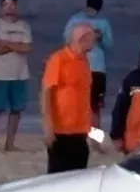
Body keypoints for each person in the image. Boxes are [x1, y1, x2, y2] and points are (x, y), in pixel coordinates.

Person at [41, 23, 98, 174]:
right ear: (82, 39)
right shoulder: (58, 59)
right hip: (61, 130)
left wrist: (93, 126)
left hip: (80, 130)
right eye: (92, 39)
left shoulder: (84, 61)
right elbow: (46, 92)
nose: (94, 42)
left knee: (78, 175)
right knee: (58, 176)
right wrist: (48, 125)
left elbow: (84, 94)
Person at [0, 0, 33, 151]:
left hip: (20, 73)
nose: (9, 7)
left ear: (16, 7)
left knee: (16, 110)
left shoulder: (24, 26)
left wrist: (8, 44)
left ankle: (10, 143)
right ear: (1, 7)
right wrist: (17, 45)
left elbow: (27, 48)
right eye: (6, 5)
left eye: (12, 5)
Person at [63, 0, 113, 127]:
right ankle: (79, 133)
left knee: (94, 106)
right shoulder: (76, 20)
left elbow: (109, 45)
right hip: (79, 66)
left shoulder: (102, 22)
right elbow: (67, 41)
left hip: (97, 69)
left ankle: (94, 137)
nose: (92, 13)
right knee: (78, 104)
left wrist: (100, 37)